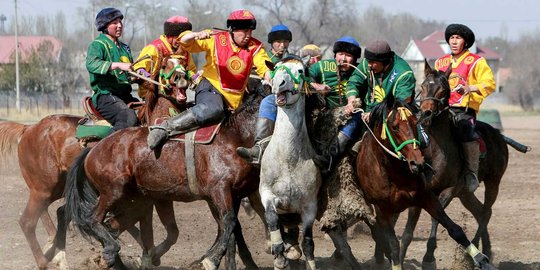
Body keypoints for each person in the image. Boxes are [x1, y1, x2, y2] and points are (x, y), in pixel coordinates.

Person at [147, 9, 272, 149]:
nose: (248, 35)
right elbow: (183, 40)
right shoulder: (216, 38)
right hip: (210, 88)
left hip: (236, 100)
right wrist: (196, 34)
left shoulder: (256, 47)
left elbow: (264, 66)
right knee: (213, 109)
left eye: (250, 31)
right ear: (233, 29)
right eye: (244, 31)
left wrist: (269, 76)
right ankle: (165, 128)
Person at [237, 36, 362, 172]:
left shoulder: (360, 72)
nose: (343, 59)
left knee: (356, 117)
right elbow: (305, 76)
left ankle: (330, 158)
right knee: (269, 101)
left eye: (348, 55)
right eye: (340, 54)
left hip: (348, 113)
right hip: (320, 109)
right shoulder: (323, 66)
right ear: (335, 54)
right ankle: (259, 147)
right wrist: (316, 86)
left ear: (355, 58)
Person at [434, 24, 496, 192]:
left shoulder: (476, 61)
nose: (454, 41)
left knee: (465, 132)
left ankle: (471, 173)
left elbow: (490, 83)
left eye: (458, 38)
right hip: (442, 109)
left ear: (466, 42)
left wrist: (471, 88)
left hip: (464, 110)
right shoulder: (441, 62)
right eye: (451, 38)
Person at [86, 7, 139, 132]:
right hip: (105, 96)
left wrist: (138, 75)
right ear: (105, 26)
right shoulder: (98, 44)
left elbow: (130, 72)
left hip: (125, 96)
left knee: (147, 111)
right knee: (129, 118)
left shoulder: (125, 48)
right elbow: (91, 64)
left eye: (120, 22)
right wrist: (117, 65)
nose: (119, 25)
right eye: (115, 23)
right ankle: (106, 149)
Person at [347, 40, 416, 121]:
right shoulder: (368, 62)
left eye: (372, 62)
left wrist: (375, 114)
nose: (369, 65)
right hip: (366, 110)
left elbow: (401, 103)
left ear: (384, 62)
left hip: (392, 114)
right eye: (368, 61)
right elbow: (354, 81)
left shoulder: (404, 74)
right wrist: (351, 98)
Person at [133, 16, 197, 99]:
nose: (181, 41)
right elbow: (139, 67)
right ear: (169, 36)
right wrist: (142, 72)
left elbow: (191, 70)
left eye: (183, 38)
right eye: (177, 37)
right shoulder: (154, 48)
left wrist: (195, 77)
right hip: (152, 96)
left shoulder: (186, 52)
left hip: (176, 95)